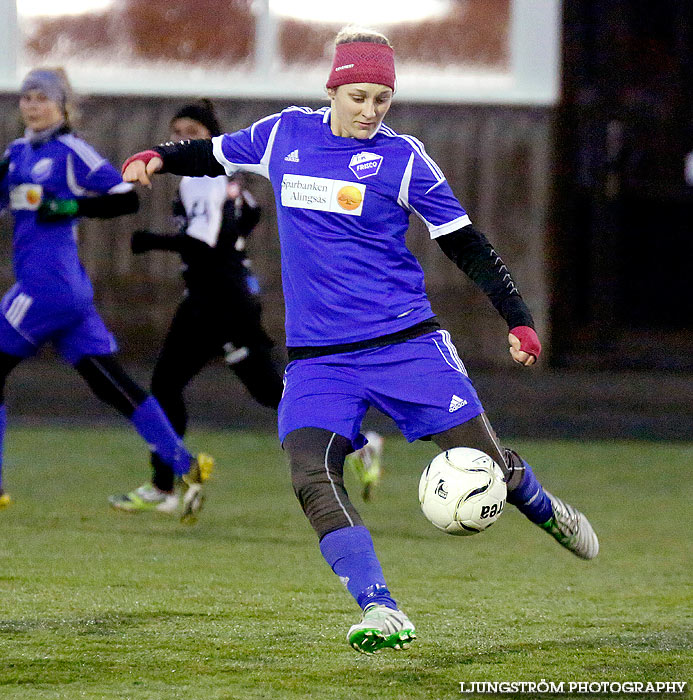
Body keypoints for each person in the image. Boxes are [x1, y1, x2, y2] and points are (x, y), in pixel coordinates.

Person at [122, 27, 599, 654]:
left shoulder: (405, 160)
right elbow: (214, 152)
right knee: (311, 473)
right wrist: (156, 156)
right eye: (359, 96)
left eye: (382, 98)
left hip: (407, 345)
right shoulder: (285, 134)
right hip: (320, 360)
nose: (370, 110)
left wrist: (518, 318)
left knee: (493, 468)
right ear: (334, 88)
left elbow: (467, 245)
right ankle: (381, 609)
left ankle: (543, 507)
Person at [0, 68, 213, 523]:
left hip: (47, 287)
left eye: (42, 98)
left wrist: (69, 204)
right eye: (26, 99)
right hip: (62, 292)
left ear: (62, 106)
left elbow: (125, 198)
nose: (33, 106)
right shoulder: (17, 153)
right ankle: (187, 466)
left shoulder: (71, 150)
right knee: (110, 382)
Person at [109, 100, 284, 514]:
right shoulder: (229, 181)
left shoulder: (200, 181)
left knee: (165, 386)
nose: (182, 139)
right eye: (177, 131)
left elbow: (201, 243)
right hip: (233, 297)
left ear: (210, 137)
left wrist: (150, 241)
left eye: (192, 131)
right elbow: (252, 213)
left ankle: (164, 484)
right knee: (267, 391)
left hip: (214, 300)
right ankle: (358, 443)